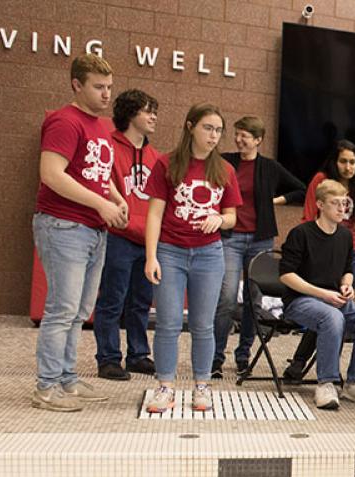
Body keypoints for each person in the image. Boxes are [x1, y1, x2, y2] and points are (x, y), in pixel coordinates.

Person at [32, 54, 128, 412]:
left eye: (109, 87)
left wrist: (115, 199)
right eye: (98, 87)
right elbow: (52, 174)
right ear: (77, 85)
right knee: (62, 309)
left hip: (93, 229)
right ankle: (46, 387)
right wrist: (101, 204)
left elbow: (97, 175)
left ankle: (67, 380)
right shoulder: (64, 121)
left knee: (79, 311)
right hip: (63, 225)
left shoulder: (101, 127)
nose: (106, 95)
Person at [142, 104, 240, 414]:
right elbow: (154, 214)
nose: (214, 136)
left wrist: (219, 220)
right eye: (208, 128)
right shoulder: (166, 164)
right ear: (190, 127)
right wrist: (151, 256)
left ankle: (202, 386)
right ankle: (165, 387)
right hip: (170, 252)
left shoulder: (224, 170)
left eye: (218, 130)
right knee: (168, 323)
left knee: (203, 325)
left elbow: (232, 217)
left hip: (209, 254)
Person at [213, 115, 306, 378]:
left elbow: (301, 189)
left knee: (254, 300)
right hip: (230, 237)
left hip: (260, 238)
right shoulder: (225, 161)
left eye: (246, 135)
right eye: (238, 133)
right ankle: (215, 358)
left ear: (258, 140)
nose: (240, 139)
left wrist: (274, 201)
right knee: (227, 297)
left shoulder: (270, 167)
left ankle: (243, 356)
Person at [279, 179, 355, 411]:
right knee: (332, 317)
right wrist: (322, 293)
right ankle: (327, 383)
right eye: (335, 203)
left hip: (334, 298)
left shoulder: (345, 236)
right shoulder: (301, 233)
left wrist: (347, 285)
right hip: (300, 300)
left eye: (344, 203)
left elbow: (347, 270)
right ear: (320, 205)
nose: (341, 208)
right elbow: (286, 275)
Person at [288, 140, 355, 382]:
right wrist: (311, 244)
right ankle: (310, 367)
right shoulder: (321, 180)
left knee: (338, 303)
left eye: (353, 162)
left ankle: (321, 369)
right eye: (344, 161)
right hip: (318, 247)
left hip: (346, 250)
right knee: (325, 309)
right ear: (335, 161)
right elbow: (309, 216)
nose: (348, 166)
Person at [93, 87, 158, 382]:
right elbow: (99, 177)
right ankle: (108, 359)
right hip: (118, 234)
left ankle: (138, 354)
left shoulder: (155, 157)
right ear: (130, 114)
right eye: (148, 111)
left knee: (141, 302)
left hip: (147, 239)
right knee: (112, 300)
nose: (154, 117)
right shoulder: (108, 145)